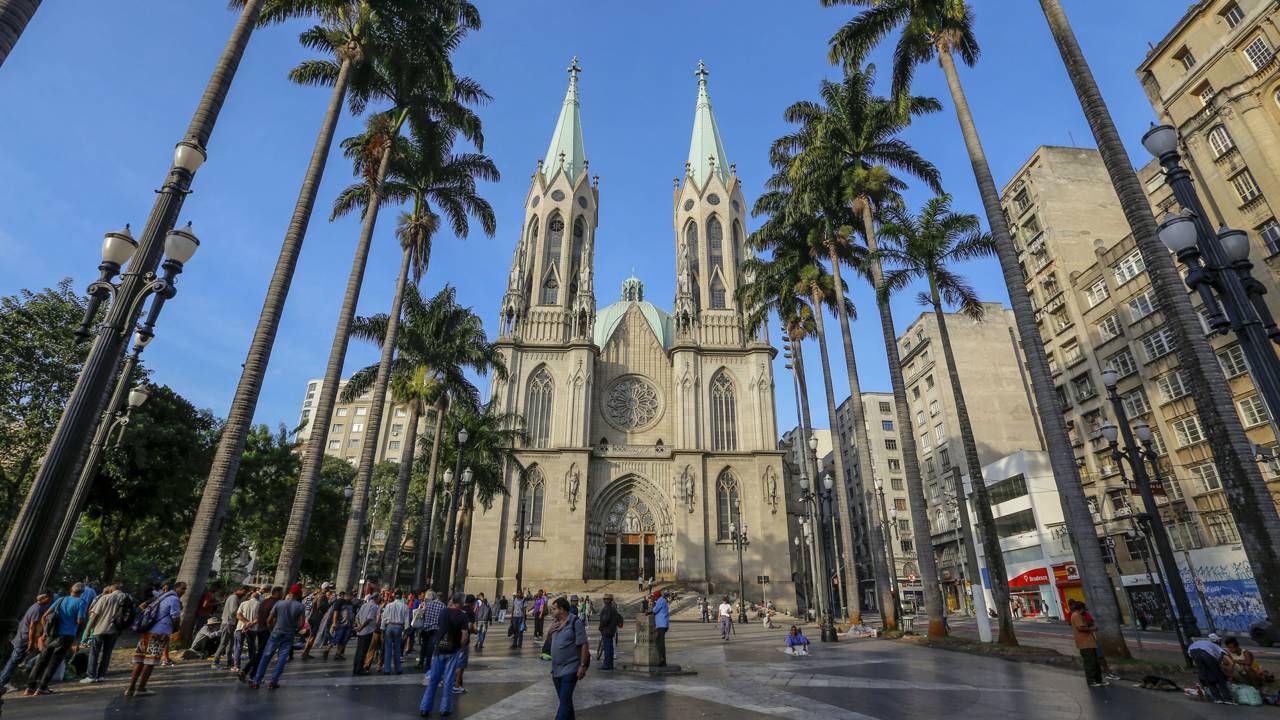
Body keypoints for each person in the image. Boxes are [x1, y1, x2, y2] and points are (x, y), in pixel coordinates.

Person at [24, 583, 87, 695]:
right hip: (67, 636)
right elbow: (79, 621)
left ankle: (30, 687)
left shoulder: (61, 599)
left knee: (42, 659)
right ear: (82, 592)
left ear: (71, 590)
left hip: (52, 634)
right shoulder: (81, 602)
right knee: (55, 661)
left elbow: (44, 616)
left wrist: (45, 632)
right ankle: (42, 687)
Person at [125, 580, 185, 697]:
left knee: (140, 659)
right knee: (150, 661)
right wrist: (176, 629)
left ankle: (130, 688)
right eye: (183, 588)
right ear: (176, 588)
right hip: (160, 633)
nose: (184, 591)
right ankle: (141, 688)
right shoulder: (174, 599)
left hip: (148, 631)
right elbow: (175, 617)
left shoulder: (161, 597)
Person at [419, 593, 469, 718]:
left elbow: (441, 627)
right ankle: (445, 708)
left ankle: (425, 708)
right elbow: (464, 636)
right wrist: (459, 646)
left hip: (439, 650)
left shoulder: (443, 612)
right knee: (448, 680)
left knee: (434, 680)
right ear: (461, 603)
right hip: (453, 651)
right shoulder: (463, 616)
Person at [249, 587, 304, 689]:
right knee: (282, 658)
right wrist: (295, 629)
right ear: (298, 594)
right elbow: (301, 624)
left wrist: (271, 630)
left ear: (289, 593)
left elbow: (269, 619)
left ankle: (257, 680)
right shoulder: (300, 606)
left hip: (276, 632)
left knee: (266, 656)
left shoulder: (279, 603)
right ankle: (273, 681)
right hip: (288, 634)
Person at [0, 593, 51, 693]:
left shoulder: (35, 606)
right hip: (24, 639)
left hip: (22, 637)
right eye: (49, 597)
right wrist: (31, 642)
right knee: (13, 661)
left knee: (13, 661)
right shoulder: (38, 609)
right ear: (44, 598)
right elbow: (32, 626)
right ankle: (3, 682)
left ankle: (3, 679)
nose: (50, 600)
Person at [548, 596, 589, 720]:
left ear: (562, 610)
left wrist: (582, 665)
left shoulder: (575, 622)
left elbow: (584, 644)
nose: (552, 611)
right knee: (565, 701)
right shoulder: (555, 623)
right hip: (556, 669)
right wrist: (549, 632)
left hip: (571, 668)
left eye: (554, 609)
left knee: (564, 701)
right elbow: (549, 643)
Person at [80, 584, 130, 683]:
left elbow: (94, 615)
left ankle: (91, 676)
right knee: (107, 653)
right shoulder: (126, 599)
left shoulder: (105, 598)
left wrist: (88, 631)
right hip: (115, 630)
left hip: (100, 629)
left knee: (94, 653)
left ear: (112, 589)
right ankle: (101, 675)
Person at [1068, 600, 1104, 687]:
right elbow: (1080, 628)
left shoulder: (1080, 616)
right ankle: (1091, 681)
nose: (1085, 610)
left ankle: (1098, 680)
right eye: (1084, 609)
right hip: (1085, 643)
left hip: (1090, 642)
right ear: (1081, 608)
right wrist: (1092, 629)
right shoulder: (1076, 616)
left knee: (1096, 662)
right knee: (1090, 663)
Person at [1188, 634, 1234, 703]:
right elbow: (1230, 662)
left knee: (1206, 676)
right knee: (1220, 676)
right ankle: (1228, 699)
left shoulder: (1206, 643)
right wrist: (1230, 674)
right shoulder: (1218, 648)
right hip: (1205, 652)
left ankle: (1217, 698)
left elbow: (1196, 664)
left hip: (1192, 651)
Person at [210, 587, 245, 670]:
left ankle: (229, 661)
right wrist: (242, 613)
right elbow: (234, 611)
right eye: (244, 592)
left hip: (230, 623)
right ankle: (215, 661)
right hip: (228, 623)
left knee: (230, 643)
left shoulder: (233, 597)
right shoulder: (234, 598)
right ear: (241, 590)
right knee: (224, 643)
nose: (244, 594)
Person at [232, 587, 262, 674]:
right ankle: (251, 665)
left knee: (238, 647)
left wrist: (245, 623)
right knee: (251, 648)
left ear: (250, 597)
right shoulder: (260, 605)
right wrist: (250, 624)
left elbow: (238, 615)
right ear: (258, 598)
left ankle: (236, 666)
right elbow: (259, 618)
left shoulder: (243, 603)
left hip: (240, 628)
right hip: (252, 629)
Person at [453, 594, 478, 696]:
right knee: (461, 664)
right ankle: (457, 685)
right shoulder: (470, 612)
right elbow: (469, 627)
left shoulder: (460, 609)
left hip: (455, 638)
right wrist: (474, 631)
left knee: (454, 661)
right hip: (464, 640)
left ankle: (450, 681)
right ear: (472, 603)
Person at [380, 591, 410, 675]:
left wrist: (382, 629)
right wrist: (406, 632)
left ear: (394, 597)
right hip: (399, 627)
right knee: (397, 649)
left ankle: (387, 669)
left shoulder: (389, 605)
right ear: (401, 597)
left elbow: (384, 618)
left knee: (388, 649)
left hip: (389, 626)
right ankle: (398, 669)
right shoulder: (405, 606)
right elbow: (407, 621)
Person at [352, 593, 381, 675]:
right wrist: (362, 627)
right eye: (379, 598)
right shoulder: (374, 606)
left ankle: (355, 668)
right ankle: (359, 669)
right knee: (363, 651)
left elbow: (357, 616)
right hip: (368, 630)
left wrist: (359, 626)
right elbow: (369, 619)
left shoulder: (364, 605)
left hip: (360, 631)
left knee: (359, 650)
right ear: (376, 598)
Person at [302, 584, 332, 660]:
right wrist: (328, 605)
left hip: (312, 617)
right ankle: (306, 652)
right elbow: (320, 607)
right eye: (328, 587)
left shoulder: (317, 595)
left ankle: (305, 652)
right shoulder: (322, 596)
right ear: (326, 588)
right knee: (312, 636)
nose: (329, 589)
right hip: (316, 618)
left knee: (310, 636)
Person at [417, 590, 445, 671]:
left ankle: (421, 663)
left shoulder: (427, 605)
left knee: (423, 646)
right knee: (431, 647)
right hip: (435, 629)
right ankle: (428, 664)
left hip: (426, 628)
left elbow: (421, 615)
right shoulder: (443, 605)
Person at [325, 590, 353, 661]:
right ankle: (327, 650)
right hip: (340, 624)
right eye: (351, 596)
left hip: (348, 624)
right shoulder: (339, 601)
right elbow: (335, 612)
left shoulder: (350, 603)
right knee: (336, 638)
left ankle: (338, 654)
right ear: (347, 595)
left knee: (343, 640)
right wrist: (334, 623)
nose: (352, 597)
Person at [597, 594, 622, 671]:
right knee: (610, 648)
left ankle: (606, 664)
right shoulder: (613, 608)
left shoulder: (607, 608)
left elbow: (605, 620)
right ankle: (609, 664)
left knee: (607, 648)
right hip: (611, 630)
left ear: (609, 600)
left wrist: (600, 627)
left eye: (605, 599)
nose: (604, 600)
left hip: (606, 630)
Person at [650, 591, 669, 667]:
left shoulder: (660, 600)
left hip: (662, 624)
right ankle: (662, 660)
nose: (653, 598)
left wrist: (649, 611)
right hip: (662, 624)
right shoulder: (662, 600)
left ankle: (662, 660)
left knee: (659, 643)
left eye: (654, 597)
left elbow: (655, 610)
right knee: (660, 642)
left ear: (656, 596)